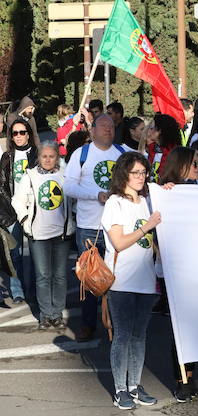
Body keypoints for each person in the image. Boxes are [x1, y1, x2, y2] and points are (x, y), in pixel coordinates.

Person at [101, 152, 162, 409]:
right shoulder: (115, 203)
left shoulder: (148, 201)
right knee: (123, 336)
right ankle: (120, 389)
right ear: (124, 174)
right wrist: (146, 226)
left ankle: (135, 385)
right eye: (135, 172)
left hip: (146, 280)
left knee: (140, 336)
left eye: (143, 172)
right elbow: (119, 242)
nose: (140, 177)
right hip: (121, 282)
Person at [63, 114, 127, 342]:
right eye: (103, 126)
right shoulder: (82, 155)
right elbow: (68, 187)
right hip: (89, 227)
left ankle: (116, 323)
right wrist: (95, 195)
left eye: (111, 126)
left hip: (117, 227)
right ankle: (88, 324)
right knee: (89, 279)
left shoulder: (123, 152)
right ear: (93, 129)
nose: (108, 130)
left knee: (118, 277)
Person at [155, 147, 198, 402]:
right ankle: (180, 380)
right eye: (193, 162)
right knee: (181, 329)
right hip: (175, 271)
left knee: (195, 327)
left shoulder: (195, 189)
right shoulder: (165, 193)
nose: (197, 165)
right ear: (181, 165)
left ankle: (191, 375)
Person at [12, 142, 72, 330]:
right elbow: (17, 201)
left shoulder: (65, 175)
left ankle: (57, 313)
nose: (47, 160)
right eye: (44, 156)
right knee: (43, 275)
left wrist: (74, 219)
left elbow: (75, 198)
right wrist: (25, 221)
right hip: (38, 234)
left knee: (60, 276)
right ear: (38, 157)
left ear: (57, 157)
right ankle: (46, 315)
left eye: (51, 156)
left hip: (61, 234)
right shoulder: (30, 176)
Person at [1, 118, 38, 304]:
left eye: (22, 132)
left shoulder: (37, 154)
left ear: (28, 134)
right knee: (15, 254)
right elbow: (2, 186)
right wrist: (6, 213)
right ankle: (18, 291)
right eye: (14, 133)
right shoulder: (7, 157)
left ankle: (32, 290)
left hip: (34, 210)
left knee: (32, 253)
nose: (18, 136)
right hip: (11, 211)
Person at [146, 114, 182, 182]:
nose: (149, 131)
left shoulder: (175, 152)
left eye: (152, 128)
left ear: (160, 131)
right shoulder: (151, 148)